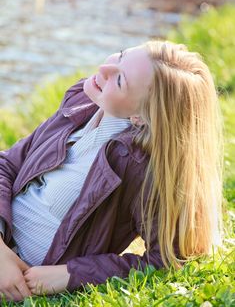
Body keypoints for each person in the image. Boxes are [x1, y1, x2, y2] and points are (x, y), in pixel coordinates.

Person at [0, 40, 224, 302]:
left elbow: (172, 259)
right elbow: (7, 164)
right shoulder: (82, 104)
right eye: (120, 55)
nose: (104, 68)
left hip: (22, 277)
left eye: (119, 81)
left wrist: (70, 274)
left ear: (141, 117)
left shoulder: (140, 164)